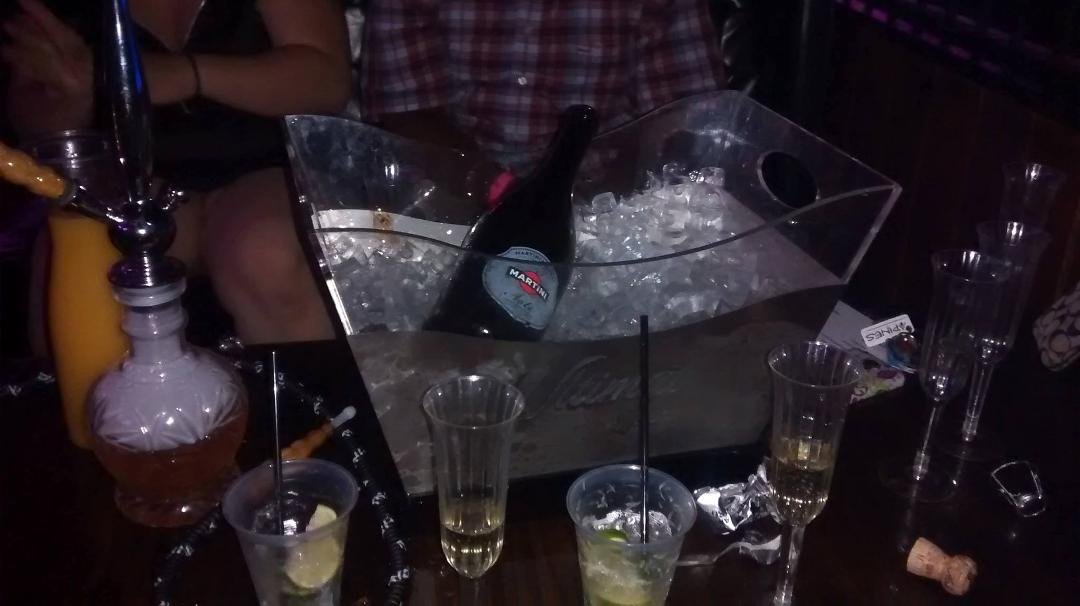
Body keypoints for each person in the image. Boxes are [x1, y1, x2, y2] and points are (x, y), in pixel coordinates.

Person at [2, 0, 349, 343]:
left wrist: (183, 75)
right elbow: (35, 129)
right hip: (133, 176)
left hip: (274, 162)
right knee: (83, 262)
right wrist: (74, 97)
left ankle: (307, 380)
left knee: (265, 249)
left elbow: (327, 82)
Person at [361, 0, 725, 172]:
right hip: (450, 190)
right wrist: (497, 196)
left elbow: (682, 120)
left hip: (605, 199)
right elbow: (406, 112)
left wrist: (593, 209)